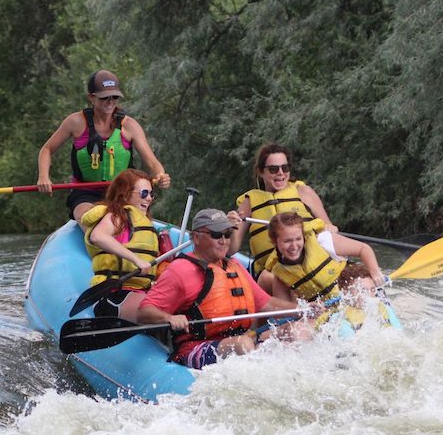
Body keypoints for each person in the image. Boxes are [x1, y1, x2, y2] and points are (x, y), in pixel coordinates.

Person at [137, 208, 297, 368]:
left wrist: (304, 309)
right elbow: (144, 312)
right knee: (243, 345)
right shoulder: (180, 271)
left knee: (293, 331)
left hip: (241, 339)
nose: (224, 240)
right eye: (216, 235)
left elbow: (267, 304)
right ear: (196, 238)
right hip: (195, 348)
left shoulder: (233, 266)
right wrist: (169, 318)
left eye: (227, 234)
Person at [37, 69, 171, 224]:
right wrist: (43, 176)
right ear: (91, 98)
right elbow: (46, 150)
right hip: (85, 193)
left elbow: (152, 162)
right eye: (104, 97)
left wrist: (160, 174)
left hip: (122, 192)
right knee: (90, 219)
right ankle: (100, 240)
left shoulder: (130, 125)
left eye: (114, 97)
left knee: (132, 223)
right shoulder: (76, 122)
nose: (110, 102)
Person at [229, 143, 337, 291]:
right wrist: (231, 226)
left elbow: (330, 229)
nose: (280, 173)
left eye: (284, 168)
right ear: (261, 172)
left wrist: (330, 228)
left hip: (312, 264)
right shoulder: (249, 202)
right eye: (274, 169)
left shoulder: (304, 192)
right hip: (275, 276)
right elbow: (231, 249)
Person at [81, 169, 160, 322]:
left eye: (151, 194)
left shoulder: (144, 223)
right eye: (144, 193)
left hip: (139, 291)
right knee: (160, 312)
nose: (149, 198)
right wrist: (136, 260)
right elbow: (98, 236)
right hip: (114, 295)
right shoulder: (116, 217)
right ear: (125, 194)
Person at [263, 211, 385, 306]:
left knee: (362, 284)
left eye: (298, 239)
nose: (294, 246)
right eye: (287, 241)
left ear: (303, 236)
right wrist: (307, 308)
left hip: (358, 295)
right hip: (329, 313)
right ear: (274, 242)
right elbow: (287, 311)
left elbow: (363, 249)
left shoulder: (323, 241)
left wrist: (375, 273)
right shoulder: (280, 275)